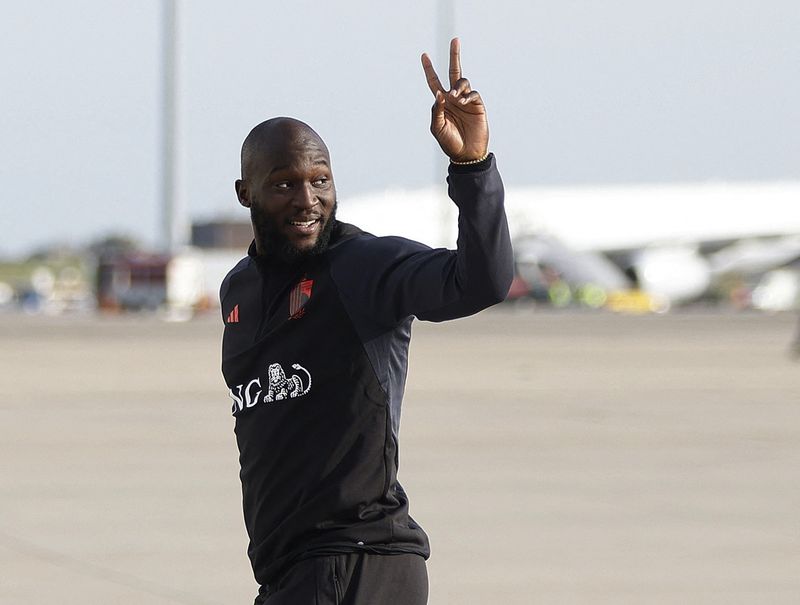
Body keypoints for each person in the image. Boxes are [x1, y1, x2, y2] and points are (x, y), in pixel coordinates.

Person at [220, 38, 513, 604]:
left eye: (320, 179)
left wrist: (472, 167)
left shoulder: (361, 266)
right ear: (245, 193)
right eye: (283, 183)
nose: (307, 198)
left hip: (358, 561)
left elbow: (481, 282)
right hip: (294, 571)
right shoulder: (239, 288)